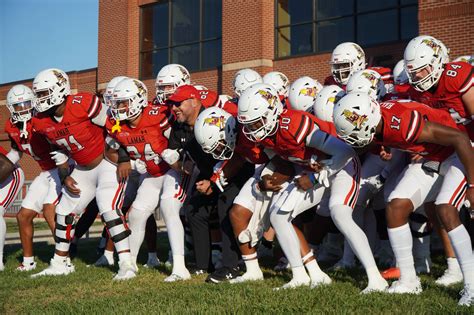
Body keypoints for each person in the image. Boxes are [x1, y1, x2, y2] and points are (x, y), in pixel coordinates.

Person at [333, 93, 474, 306]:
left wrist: (473, 185)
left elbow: (459, 138)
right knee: (396, 207)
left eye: (354, 132)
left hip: (459, 153)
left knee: (445, 209)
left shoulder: (401, 122)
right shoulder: (377, 120)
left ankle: (472, 285)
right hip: (433, 157)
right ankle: (408, 280)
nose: (352, 137)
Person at [30, 68, 135, 280]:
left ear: (60, 89)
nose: (40, 99)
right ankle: (60, 262)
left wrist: (123, 157)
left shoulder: (83, 103)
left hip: (106, 164)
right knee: (63, 212)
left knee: (109, 208)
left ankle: (127, 264)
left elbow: (115, 125)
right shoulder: (40, 121)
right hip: (81, 168)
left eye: (44, 93)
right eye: (38, 94)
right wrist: (64, 176)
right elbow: (58, 150)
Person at [164, 84, 254, 283]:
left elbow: (234, 157)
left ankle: (233, 265)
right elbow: (181, 156)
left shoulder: (216, 119)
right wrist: (180, 164)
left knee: (225, 207)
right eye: (173, 104)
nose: (174, 108)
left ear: (194, 102)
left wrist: (214, 183)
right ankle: (202, 264)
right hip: (208, 176)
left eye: (179, 103)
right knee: (193, 209)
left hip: (234, 173)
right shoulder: (179, 127)